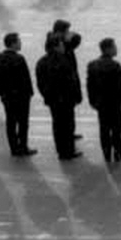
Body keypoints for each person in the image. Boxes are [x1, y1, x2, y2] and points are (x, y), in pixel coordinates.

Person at [36, 32, 83, 161]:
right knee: (67, 125)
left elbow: (40, 83)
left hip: (53, 100)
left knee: (57, 125)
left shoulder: (42, 61)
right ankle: (68, 150)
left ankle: (61, 149)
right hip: (66, 99)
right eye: (62, 45)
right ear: (56, 46)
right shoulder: (63, 61)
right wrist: (75, 96)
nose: (64, 47)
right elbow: (70, 81)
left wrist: (48, 95)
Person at [0, 31, 34, 157]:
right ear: (13, 44)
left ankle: (14, 148)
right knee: (23, 123)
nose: (20, 44)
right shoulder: (19, 59)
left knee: (11, 122)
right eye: (19, 41)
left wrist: (1, 93)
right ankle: (23, 146)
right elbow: (25, 79)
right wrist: (29, 93)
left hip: (7, 96)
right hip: (21, 96)